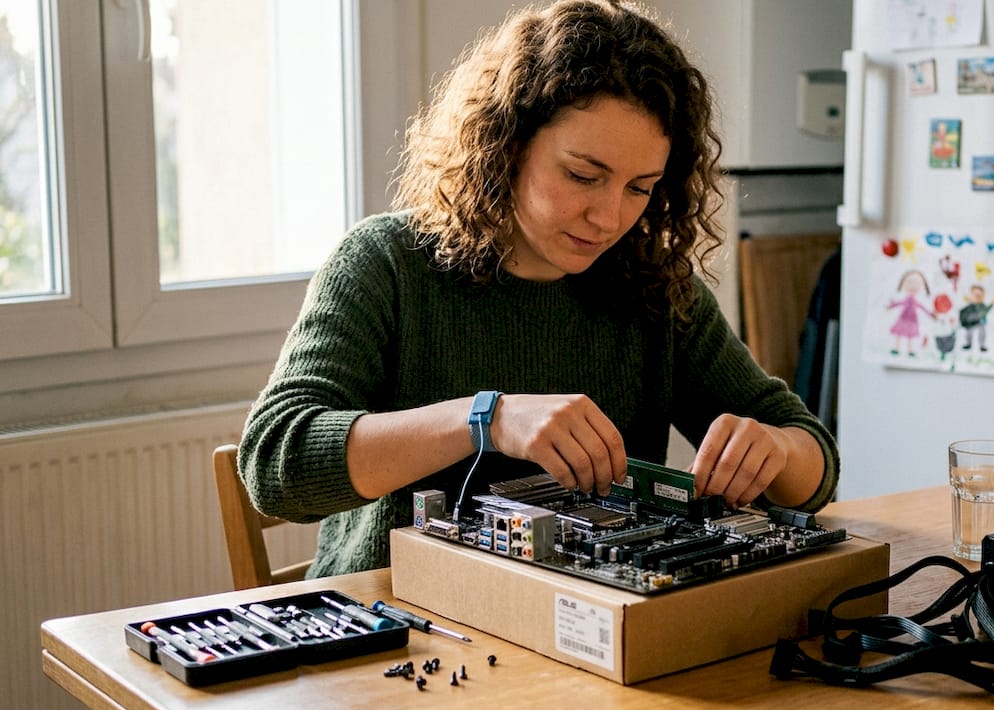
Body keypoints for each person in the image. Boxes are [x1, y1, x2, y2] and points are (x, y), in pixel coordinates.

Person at [237, 0, 839, 578]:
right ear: (508, 144)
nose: (608, 217)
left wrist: (777, 452)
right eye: (583, 175)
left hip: (581, 632)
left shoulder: (655, 289)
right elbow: (272, 465)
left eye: (639, 187)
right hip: (397, 628)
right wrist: (486, 419)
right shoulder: (386, 264)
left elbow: (817, 463)